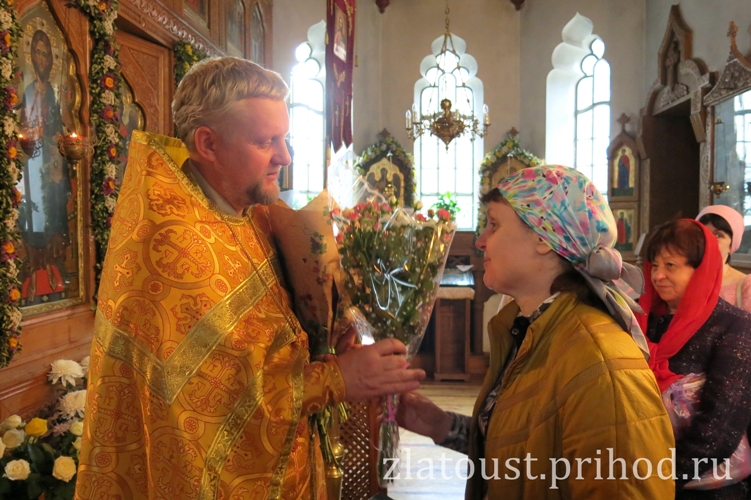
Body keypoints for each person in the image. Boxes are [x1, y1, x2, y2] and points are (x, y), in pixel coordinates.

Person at [74, 57, 425, 499]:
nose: (285, 157)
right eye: (266, 142)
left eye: (285, 138)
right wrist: (335, 379)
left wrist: (332, 338)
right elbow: (211, 407)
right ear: (208, 143)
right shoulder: (174, 245)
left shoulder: (249, 216)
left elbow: (268, 342)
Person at [397, 165, 674, 499]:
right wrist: (443, 426)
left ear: (544, 238)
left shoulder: (599, 361)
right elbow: (532, 455)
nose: (481, 241)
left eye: (494, 224)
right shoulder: (530, 329)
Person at [639, 219, 751, 500]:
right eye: (654, 265)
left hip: (704, 487)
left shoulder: (733, 325)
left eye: (670, 265)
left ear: (701, 269)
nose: (658, 275)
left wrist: (661, 479)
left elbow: (721, 426)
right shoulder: (643, 321)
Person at [17, 29, 71, 303]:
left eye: (46, 54)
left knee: (54, 212)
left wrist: (59, 141)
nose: (42, 59)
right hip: (32, 165)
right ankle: (34, 267)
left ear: (51, 59)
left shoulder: (54, 93)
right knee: (32, 215)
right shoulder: (28, 92)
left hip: (53, 165)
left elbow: (60, 127)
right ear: (32, 57)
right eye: (37, 53)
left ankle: (50, 266)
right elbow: (22, 129)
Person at [696, 205, 751, 312]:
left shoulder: (746, 286)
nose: (708, 240)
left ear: (732, 244)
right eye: (703, 233)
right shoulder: (682, 276)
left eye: (718, 235)